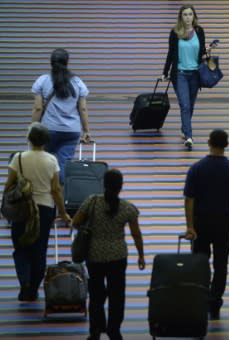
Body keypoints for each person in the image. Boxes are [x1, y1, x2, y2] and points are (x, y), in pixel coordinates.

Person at [183, 129, 229, 319]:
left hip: (200, 222)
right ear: (227, 145)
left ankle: (201, 294)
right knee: (221, 263)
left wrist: (190, 226)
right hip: (223, 222)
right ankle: (214, 302)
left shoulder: (197, 169)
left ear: (208, 142)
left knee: (200, 260)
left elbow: (189, 200)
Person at [72, 169, 145, 340]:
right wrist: (141, 255)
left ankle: (95, 330)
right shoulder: (127, 208)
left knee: (96, 296)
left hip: (94, 256)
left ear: (103, 184)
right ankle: (114, 329)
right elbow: (136, 234)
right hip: (117, 258)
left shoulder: (92, 202)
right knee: (117, 296)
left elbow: (75, 222)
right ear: (121, 187)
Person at [2, 122, 71, 301]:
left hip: (22, 208)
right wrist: (63, 213)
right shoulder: (52, 160)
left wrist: (5, 205)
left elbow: (9, 184)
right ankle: (33, 288)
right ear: (45, 141)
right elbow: (56, 190)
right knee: (39, 250)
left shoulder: (18, 158)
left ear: (29, 139)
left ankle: (24, 282)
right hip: (45, 209)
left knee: (20, 248)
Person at [31, 48, 91, 183]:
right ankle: (61, 198)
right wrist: (86, 130)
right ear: (67, 63)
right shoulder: (77, 82)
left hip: (48, 130)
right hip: (71, 131)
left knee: (43, 162)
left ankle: (44, 196)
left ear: (51, 63)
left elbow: (38, 108)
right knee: (63, 164)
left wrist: (33, 128)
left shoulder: (42, 80)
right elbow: (83, 108)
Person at [162, 5, 217, 148]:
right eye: (185, 14)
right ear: (181, 16)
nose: (187, 17)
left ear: (194, 16)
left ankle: (184, 128)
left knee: (190, 105)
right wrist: (165, 72)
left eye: (190, 14)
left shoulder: (199, 31)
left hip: (195, 74)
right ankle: (189, 136)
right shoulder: (175, 32)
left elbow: (201, 54)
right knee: (184, 105)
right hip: (180, 74)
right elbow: (170, 53)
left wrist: (208, 50)